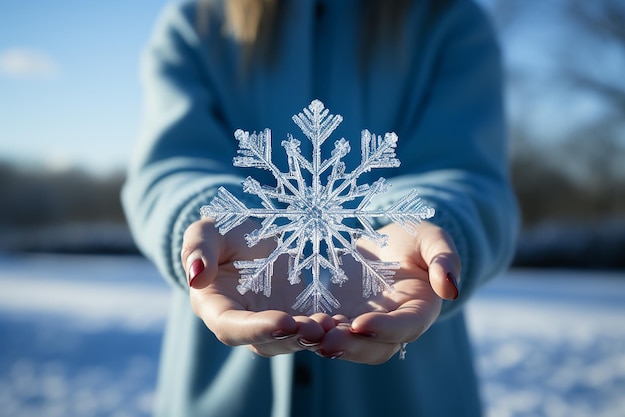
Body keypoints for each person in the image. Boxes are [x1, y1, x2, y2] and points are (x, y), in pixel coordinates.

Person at [122, 0, 519, 416]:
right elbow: (170, 166)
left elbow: (468, 171)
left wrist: (426, 223)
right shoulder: (199, 19)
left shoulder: (447, 18)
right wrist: (216, 218)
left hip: (410, 390)